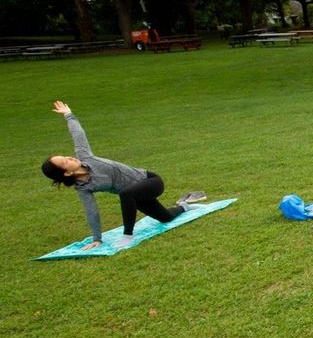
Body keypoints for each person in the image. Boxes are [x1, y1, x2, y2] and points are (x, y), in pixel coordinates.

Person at [41, 101, 204, 250]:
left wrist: (68, 115)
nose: (69, 157)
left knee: (126, 193)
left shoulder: (85, 157)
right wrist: (97, 239)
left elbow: (78, 135)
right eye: (64, 162)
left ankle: (128, 236)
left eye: (65, 156)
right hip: (135, 197)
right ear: (67, 173)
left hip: (151, 181)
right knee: (166, 218)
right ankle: (184, 205)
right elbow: (92, 212)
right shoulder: (84, 188)